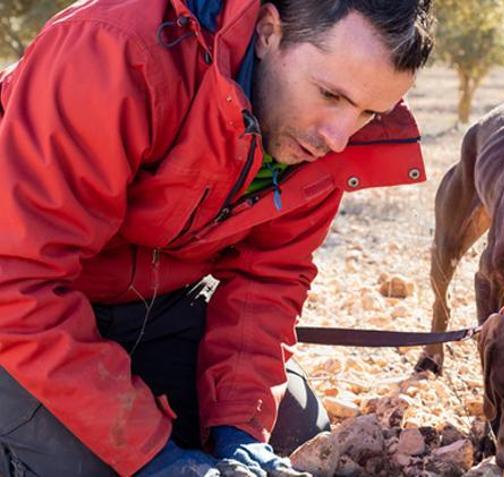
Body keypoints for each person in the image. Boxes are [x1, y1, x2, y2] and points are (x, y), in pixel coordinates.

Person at [0, 0, 434, 475]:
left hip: (151, 302)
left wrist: (238, 430)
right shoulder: (113, 49)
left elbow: (267, 280)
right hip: (21, 307)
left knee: (292, 430)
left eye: (370, 113)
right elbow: (17, 281)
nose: (338, 138)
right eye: (331, 95)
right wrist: (153, 456)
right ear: (269, 32)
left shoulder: (321, 138)